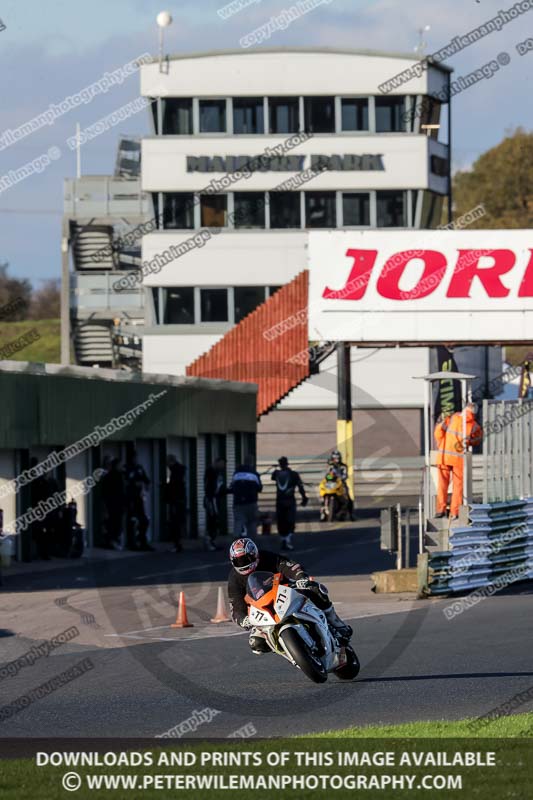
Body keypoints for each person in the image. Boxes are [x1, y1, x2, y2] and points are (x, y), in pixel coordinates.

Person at [227, 538, 352, 654]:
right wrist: (243, 620)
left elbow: (288, 566)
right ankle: (291, 652)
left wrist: (300, 577)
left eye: (245, 559)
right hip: (263, 609)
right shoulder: (234, 578)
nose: (242, 564)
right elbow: (235, 605)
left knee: (315, 589)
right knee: (256, 643)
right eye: (238, 561)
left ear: (254, 554)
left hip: (285, 592)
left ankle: (336, 622)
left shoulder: (267, 557)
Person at [434, 402, 483, 520]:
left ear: (464, 409)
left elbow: (438, 433)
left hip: (444, 456)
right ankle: (454, 512)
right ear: (475, 413)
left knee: (442, 485)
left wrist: (442, 445)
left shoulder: (452, 418)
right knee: (458, 487)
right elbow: (477, 440)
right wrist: (468, 442)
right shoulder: (474, 426)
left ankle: (440, 510)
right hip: (459, 459)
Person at [271, 456, 308, 551]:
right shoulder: (294, 474)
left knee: (281, 521)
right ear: (287, 464)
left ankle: (283, 539)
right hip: (290, 501)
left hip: (279, 501)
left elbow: (273, 477)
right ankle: (287, 540)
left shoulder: (276, 473)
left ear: (280, 464)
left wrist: (275, 468)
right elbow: (300, 487)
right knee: (290, 521)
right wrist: (304, 498)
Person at [124, 451, 153, 551]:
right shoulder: (126, 468)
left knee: (144, 520)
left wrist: (146, 485)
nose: (135, 459)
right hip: (130, 498)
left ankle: (142, 541)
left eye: (136, 457)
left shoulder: (139, 468)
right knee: (132, 520)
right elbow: (125, 482)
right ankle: (131, 543)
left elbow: (146, 479)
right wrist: (133, 484)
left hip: (139, 497)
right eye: (134, 458)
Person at [228, 460, 262, 540]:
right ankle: (251, 541)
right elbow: (259, 488)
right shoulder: (254, 473)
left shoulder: (236, 474)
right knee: (252, 522)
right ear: (251, 463)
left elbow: (231, 487)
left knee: (238, 522)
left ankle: (236, 540)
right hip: (251, 502)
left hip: (238, 502)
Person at [101, 458, 126, 550]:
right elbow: (106, 492)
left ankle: (114, 540)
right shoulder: (113, 476)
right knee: (114, 523)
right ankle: (112, 541)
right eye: (120, 465)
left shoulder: (118, 475)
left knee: (115, 523)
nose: (121, 467)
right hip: (114, 504)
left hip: (116, 504)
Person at [204, 457, 226, 551]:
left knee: (215, 519)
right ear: (217, 463)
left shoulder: (219, 473)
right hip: (211, 498)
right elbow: (209, 486)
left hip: (216, 498)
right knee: (212, 519)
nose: (223, 466)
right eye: (221, 464)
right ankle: (209, 540)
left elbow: (219, 487)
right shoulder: (210, 472)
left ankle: (212, 540)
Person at [166, 455, 187, 553]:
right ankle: (178, 543)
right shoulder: (180, 471)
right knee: (177, 522)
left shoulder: (175, 472)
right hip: (179, 499)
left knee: (175, 522)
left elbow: (173, 486)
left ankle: (177, 543)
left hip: (175, 500)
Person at [328, 449, 354, 519]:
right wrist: (329, 478)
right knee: (323, 492)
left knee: (348, 497)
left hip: (341, 483)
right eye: (335, 458)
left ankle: (351, 514)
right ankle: (324, 507)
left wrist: (341, 478)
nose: (336, 460)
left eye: (338, 458)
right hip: (332, 483)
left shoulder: (343, 466)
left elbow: (345, 475)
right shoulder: (330, 466)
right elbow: (327, 475)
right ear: (332, 458)